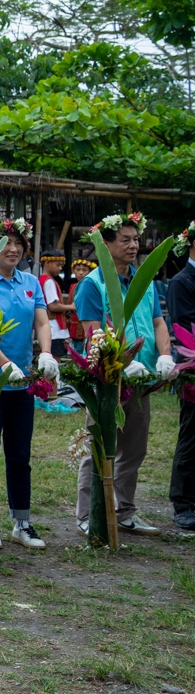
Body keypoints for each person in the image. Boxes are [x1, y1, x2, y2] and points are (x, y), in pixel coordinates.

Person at [73, 213, 177, 538]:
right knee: (100, 444)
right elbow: (92, 334)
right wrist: (120, 362)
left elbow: (158, 322)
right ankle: (88, 515)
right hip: (108, 380)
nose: (134, 246)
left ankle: (124, 512)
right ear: (106, 245)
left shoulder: (145, 280)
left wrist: (165, 354)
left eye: (136, 239)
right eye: (125, 240)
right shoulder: (93, 284)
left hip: (142, 378)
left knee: (134, 448)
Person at [0, 218, 58, 550]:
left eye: (18, 244)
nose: (13, 249)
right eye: (6, 243)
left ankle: (22, 523)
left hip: (22, 386)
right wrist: (5, 364)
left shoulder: (31, 282)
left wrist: (46, 352)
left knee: (20, 455)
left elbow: (42, 322)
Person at [165, 221, 195, 531]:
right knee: (192, 434)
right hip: (193, 367)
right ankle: (183, 502)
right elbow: (184, 326)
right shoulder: (181, 281)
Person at [38, 248, 74, 358]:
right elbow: (53, 306)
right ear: (47, 263)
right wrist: (72, 306)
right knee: (55, 359)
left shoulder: (41, 279)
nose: (60, 268)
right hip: (54, 329)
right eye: (58, 265)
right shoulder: (49, 282)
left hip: (49, 328)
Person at [68, 258, 95, 353]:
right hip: (73, 329)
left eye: (84, 270)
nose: (80, 273)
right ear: (73, 271)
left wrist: (87, 336)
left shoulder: (91, 286)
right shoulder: (72, 286)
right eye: (78, 270)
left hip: (84, 329)